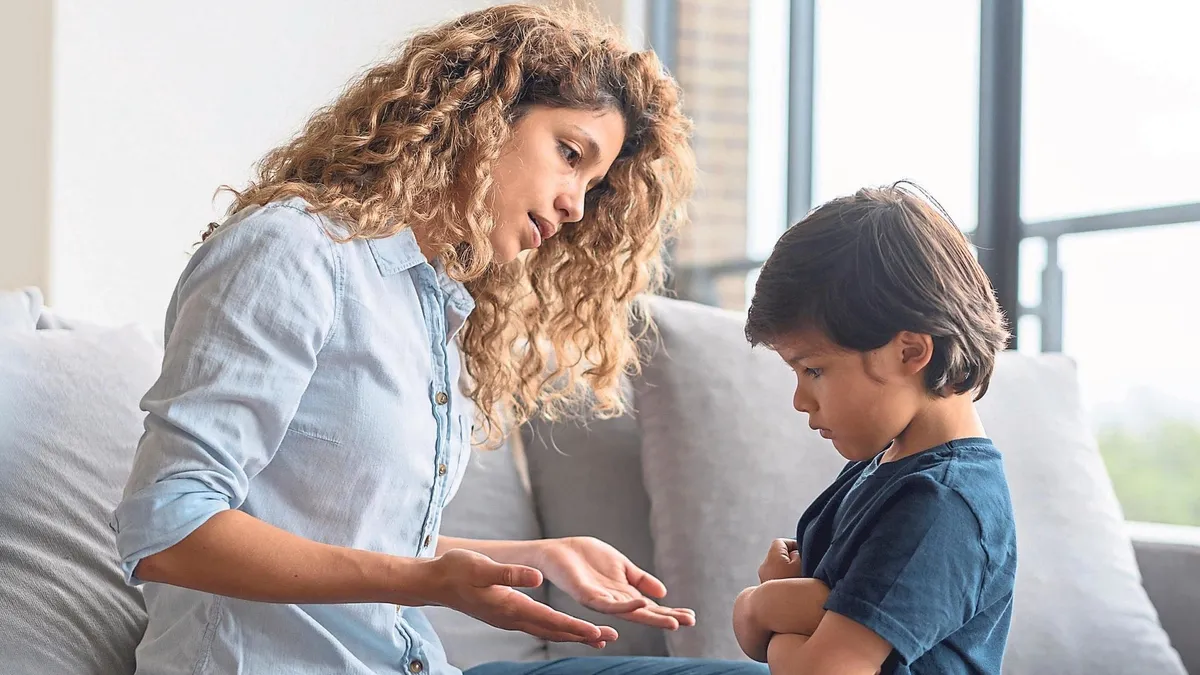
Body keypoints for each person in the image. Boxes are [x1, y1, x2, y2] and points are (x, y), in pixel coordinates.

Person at [111, 4, 762, 674]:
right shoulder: (293, 252)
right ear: (483, 113)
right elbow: (169, 525)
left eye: (591, 187)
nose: (574, 203)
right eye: (570, 154)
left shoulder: (433, 299)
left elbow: (346, 533)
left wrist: (527, 558)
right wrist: (423, 582)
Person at [731, 183, 1018, 674]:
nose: (800, 401)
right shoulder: (878, 468)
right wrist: (784, 612)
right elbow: (764, 644)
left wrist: (760, 604)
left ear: (909, 352)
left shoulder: (941, 504)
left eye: (813, 370)